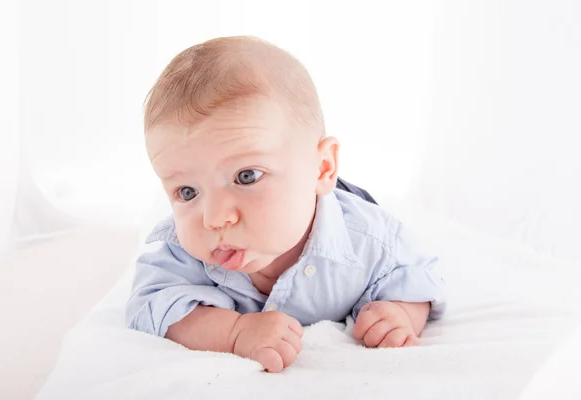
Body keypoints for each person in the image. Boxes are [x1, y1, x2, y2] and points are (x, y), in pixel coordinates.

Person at [126, 36, 446, 373]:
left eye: (247, 176)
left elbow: (417, 276)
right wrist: (234, 332)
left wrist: (399, 313)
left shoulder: (369, 240)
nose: (214, 218)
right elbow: (150, 304)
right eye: (187, 192)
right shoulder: (185, 252)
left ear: (323, 167)